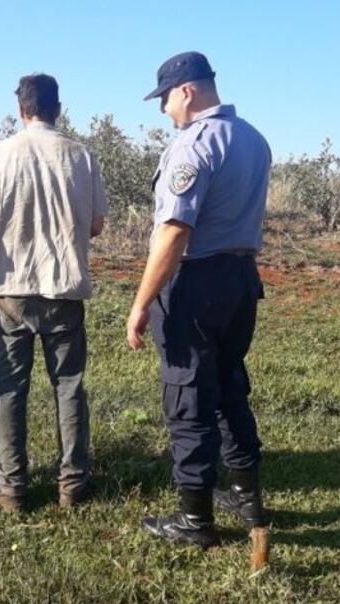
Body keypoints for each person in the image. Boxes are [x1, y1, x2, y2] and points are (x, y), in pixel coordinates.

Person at [126, 52, 272, 547]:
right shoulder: (253, 139)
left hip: (195, 285)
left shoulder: (193, 145)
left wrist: (141, 302)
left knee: (187, 395)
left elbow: (173, 232)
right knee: (229, 385)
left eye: (164, 98)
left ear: (186, 91)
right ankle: (247, 496)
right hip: (241, 280)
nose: (163, 110)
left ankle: (195, 521)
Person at [0, 73, 108, 513]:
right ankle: (73, 483)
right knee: (68, 386)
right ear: (58, 109)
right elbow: (95, 224)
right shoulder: (81, 156)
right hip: (64, 287)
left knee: (10, 389)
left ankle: (11, 487)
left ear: (21, 110)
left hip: (11, 287)